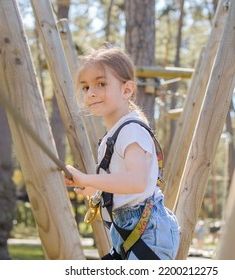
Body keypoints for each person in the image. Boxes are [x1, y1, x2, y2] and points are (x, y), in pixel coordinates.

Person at [64, 46, 180, 260]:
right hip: (130, 230)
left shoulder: (130, 129)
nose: (91, 93)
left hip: (147, 233)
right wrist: (90, 188)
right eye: (86, 87)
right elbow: (124, 189)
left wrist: (90, 178)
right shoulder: (116, 133)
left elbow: (136, 182)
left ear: (127, 90)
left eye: (101, 84)